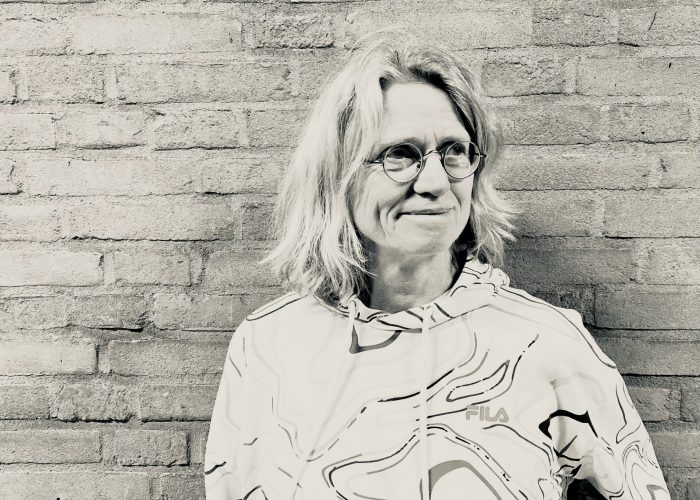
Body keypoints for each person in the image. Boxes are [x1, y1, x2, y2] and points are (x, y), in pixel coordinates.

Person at [204, 34, 670, 500]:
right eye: (400, 154)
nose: (435, 182)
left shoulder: (544, 344)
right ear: (338, 174)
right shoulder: (268, 344)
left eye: (454, 151)